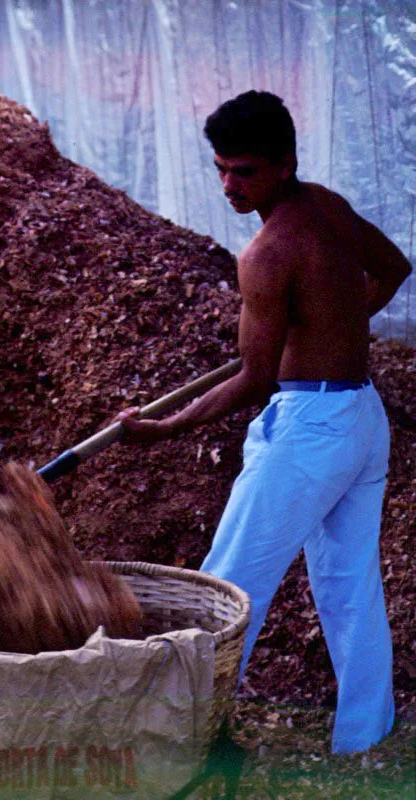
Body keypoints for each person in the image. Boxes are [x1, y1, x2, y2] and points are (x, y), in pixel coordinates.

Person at [114, 90, 412, 754]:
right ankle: (365, 737)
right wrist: (332, 326)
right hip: (359, 417)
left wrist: (166, 429)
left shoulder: (267, 253)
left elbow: (252, 378)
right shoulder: (327, 208)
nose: (226, 184)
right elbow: (392, 269)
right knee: (348, 586)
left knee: (227, 588)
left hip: (311, 428)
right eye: (219, 167)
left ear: (282, 163)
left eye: (242, 170)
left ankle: (181, 744)